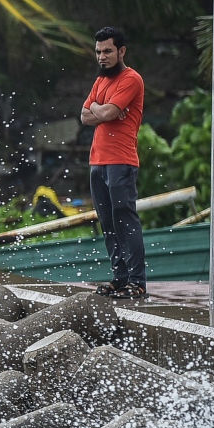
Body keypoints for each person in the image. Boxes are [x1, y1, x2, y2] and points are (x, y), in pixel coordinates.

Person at [81, 26, 147, 300]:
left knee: (125, 220)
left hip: (121, 161)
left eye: (107, 51)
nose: (102, 56)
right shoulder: (100, 81)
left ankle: (137, 282)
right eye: (98, 52)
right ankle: (120, 279)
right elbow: (85, 116)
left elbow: (107, 111)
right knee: (107, 222)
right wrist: (101, 111)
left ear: (121, 51)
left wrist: (100, 110)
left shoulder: (131, 79)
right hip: (97, 161)